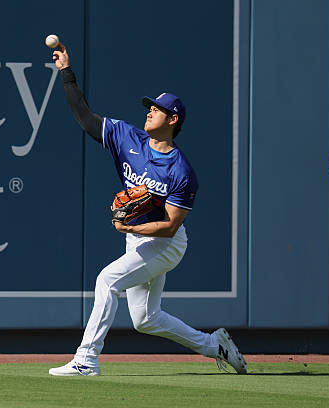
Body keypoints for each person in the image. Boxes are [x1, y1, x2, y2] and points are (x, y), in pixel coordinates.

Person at [47, 42, 247, 376]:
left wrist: (130, 228)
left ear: (173, 119)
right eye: (149, 107)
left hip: (166, 244)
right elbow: (84, 117)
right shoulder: (128, 138)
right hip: (139, 240)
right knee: (145, 319)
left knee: (107, 281)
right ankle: (215, 345)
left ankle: (86, 359)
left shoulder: (181, 170)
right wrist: (66, 73)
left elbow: (169, 226)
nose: (149, 111)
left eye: (157, 109)